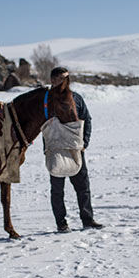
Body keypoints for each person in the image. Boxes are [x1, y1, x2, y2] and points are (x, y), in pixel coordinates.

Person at [48, 67, 103, 232]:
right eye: (62, 78)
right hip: (56, 149)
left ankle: (88, 220)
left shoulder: (76, 98)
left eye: (67, 78)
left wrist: (85, 142)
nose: (66, 81)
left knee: (83, 187)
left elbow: (87, 119)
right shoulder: (46, 100)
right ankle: (61, 223)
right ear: (53, 80)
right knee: (57, 190)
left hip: (75, 149)